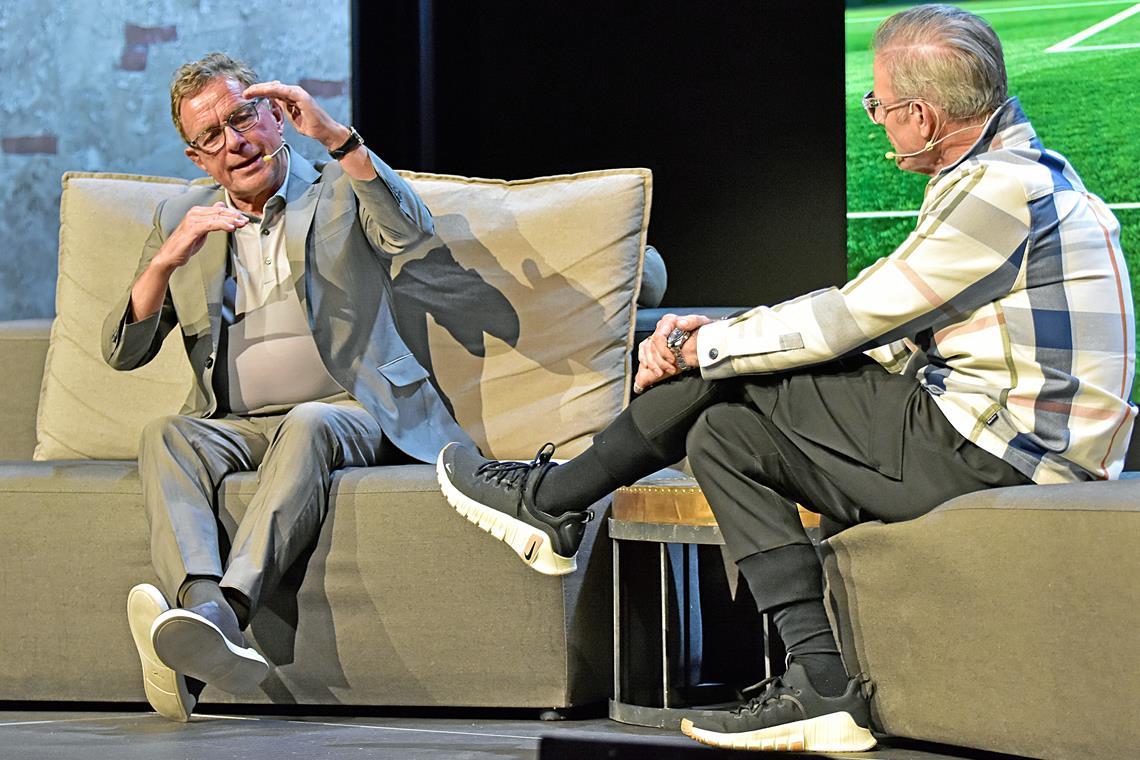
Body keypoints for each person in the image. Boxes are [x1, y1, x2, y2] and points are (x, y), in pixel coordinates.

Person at [437, 4, 1136, 752]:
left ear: (925, 116)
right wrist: (722, 344)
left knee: (719, 381)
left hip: (1001, 449)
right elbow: (893, 329)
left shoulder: (999, 189)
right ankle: (821, 685)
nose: (876, 121)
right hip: (998, 435)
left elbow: (856, 316)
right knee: (726, 432)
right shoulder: (1014, 176)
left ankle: (553, 500)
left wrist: (708, 350)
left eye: (883, 106)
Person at [103, 53, 473, 722]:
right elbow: (125, 352)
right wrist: (165, 260)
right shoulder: (182, 216)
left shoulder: (335, 186)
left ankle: (224, 614)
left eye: (242, 117)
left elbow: (411, 234)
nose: (234, 142)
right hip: (238, 422)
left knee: (308, 421)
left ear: (275, 114)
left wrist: (337, 138)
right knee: (165, 433)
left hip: (351, 407)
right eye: (211, 137)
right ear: (196, 158)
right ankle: (206, 611)